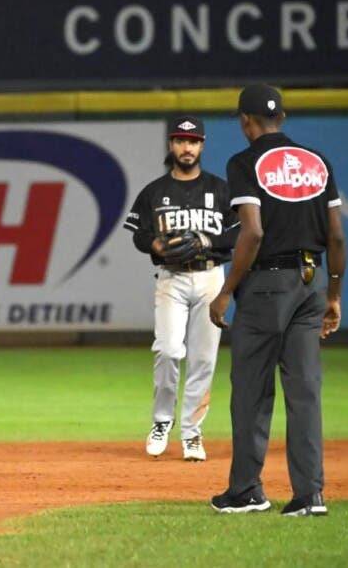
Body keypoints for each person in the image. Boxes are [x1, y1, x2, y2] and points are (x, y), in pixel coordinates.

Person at [209, 84, 346, 516]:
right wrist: (334, 294)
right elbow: (337, 237)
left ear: (245, 122)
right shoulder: (316, 162)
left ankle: (246, 490)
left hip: (267, 284)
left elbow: (252, 232)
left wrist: (226, 291)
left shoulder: (244, 162)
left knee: (251, 388)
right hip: (312, 281)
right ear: (281, 118)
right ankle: (310, 495)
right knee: (305, 390)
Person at [124, 116, 239, 462]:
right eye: (180, 140)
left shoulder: (220, 189)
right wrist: (155, 245)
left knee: (203, 358)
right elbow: (138, 234)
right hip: (171, 278)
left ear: (201, 145)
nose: (186, 147)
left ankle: (192, 432)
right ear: (171, 145)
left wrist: (206, 240)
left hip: (210, 277)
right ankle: (162, 421)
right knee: (168, 350)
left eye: (193, 141)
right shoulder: (154, 192)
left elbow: (239, 232)